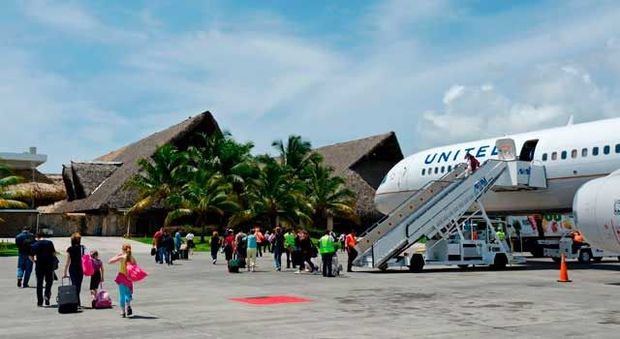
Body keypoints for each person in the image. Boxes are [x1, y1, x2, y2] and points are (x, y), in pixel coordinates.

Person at [29, 232, 57, 307]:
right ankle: (47, 295)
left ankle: (40, 301)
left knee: (39, 283)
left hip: (39, 265)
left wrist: (34, 261)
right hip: (49, 265)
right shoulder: (49, 243)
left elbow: (30, 256)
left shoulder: (35, 244)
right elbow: (54, 254)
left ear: (37, 237)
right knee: (49, 281)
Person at [109, 243, 137, 318]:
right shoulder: (132, 258)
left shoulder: (122, 257)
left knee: (122, 295)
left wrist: (117, 255)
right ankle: (128, 305)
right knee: (128, 294)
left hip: (121, 277)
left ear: (123, 250)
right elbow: (136, 267)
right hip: (129, 278)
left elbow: (110, 261)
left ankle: (123, 311)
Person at [63, 232, 84, 307]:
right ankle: (77, 302)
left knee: (74, 285)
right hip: (80, 268)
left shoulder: (70, 249)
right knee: (78, 285)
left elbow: (68, 261)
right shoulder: (82, 248)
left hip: (73, 268)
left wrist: (65, 272)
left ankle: (76, 302)